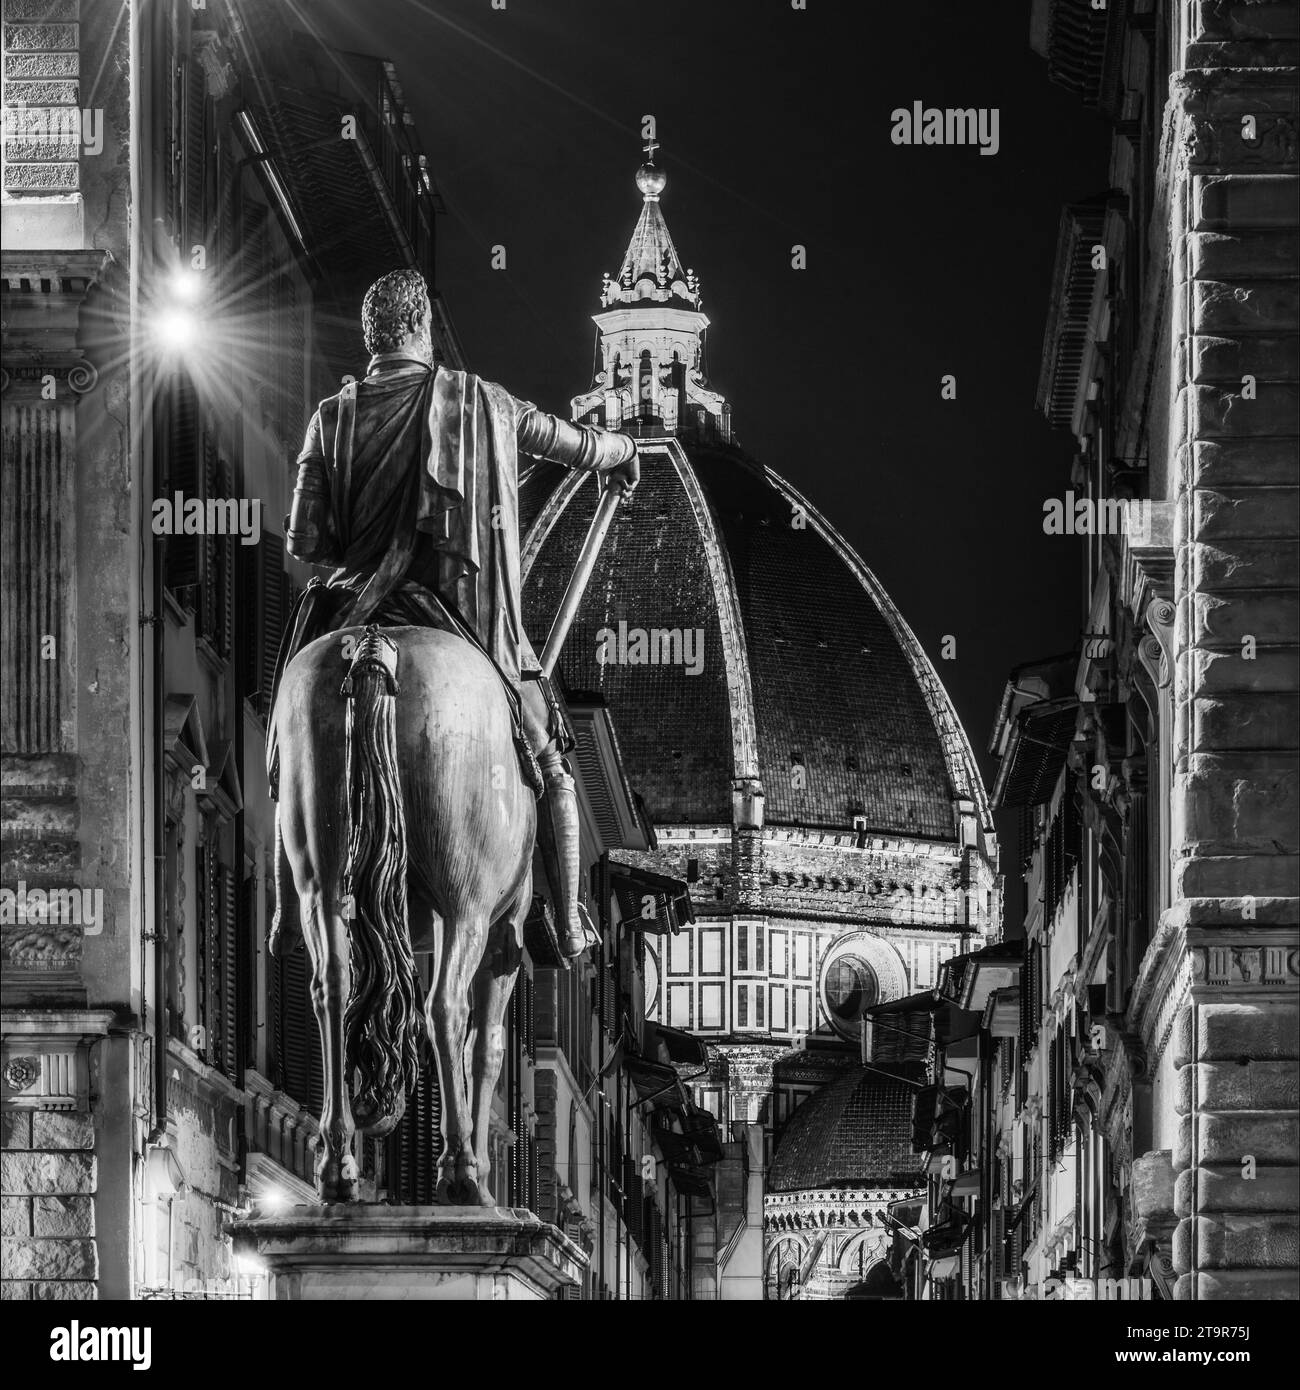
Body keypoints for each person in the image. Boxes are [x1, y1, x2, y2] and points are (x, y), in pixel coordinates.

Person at [274, 267, 639, 958]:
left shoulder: (332, 415)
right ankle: (565, 922)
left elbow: (306, 542)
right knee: (553, 764)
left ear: (369, 334)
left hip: (358, 612)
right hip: (464, 620)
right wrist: (620, 451)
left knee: (286, 739)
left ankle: (288, 909)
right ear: (424, 330)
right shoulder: (484, 403)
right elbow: (576, 445)